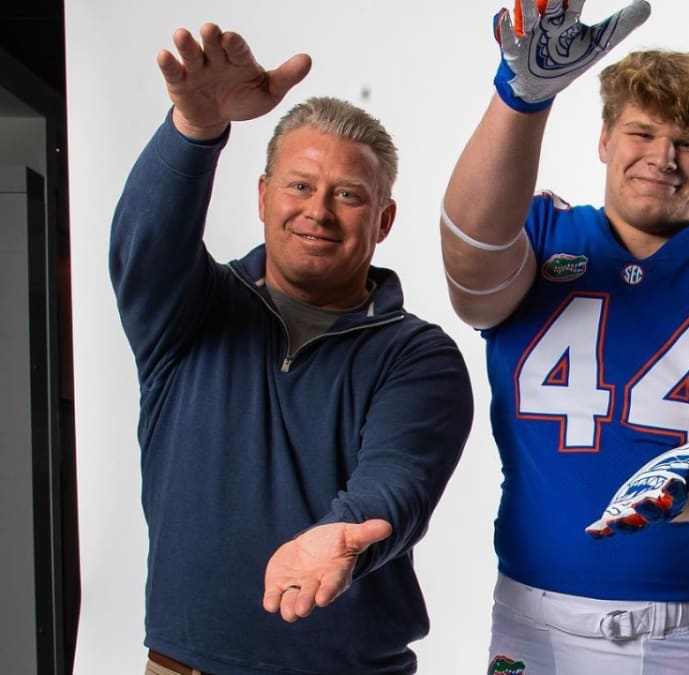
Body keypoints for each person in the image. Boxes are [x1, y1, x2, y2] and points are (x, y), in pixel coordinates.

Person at [441, 1, 689, 672]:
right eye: (642, 132)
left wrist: (688, 481)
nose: (662, 157)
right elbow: (472, 269)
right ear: (604, 139)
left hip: (686, 628)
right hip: (532, 617)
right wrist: (522, 98)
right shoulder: (541, 230)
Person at [109, 23, 473, 675]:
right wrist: (195, 128)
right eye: (300, 185)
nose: (319, 211)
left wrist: (344, 533)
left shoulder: (417, 355)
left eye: (348, 195)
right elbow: (144, 245)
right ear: (263, 196)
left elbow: (399, 476)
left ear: (384, 220)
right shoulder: (190, 310)